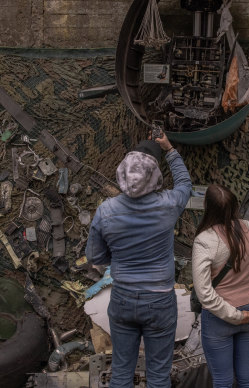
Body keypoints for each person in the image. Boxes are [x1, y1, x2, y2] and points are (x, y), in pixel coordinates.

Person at [85, 133, 192, 388]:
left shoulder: (106, 210)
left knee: (121, 373)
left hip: (122, 299)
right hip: (159, 301)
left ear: (122, 172)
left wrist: (121, 256)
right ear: (154, 176)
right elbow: (185, 184)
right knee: (158, 376)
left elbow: (95, 257)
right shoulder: (168, 206)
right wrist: (169, 150)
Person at [192, 184, 249, 388]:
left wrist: (236, 317)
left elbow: (205, 294)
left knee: (223, 381)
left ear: (206, 206)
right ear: (235, 205)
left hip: (221, 318)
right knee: (246, 379)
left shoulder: (204, 241)